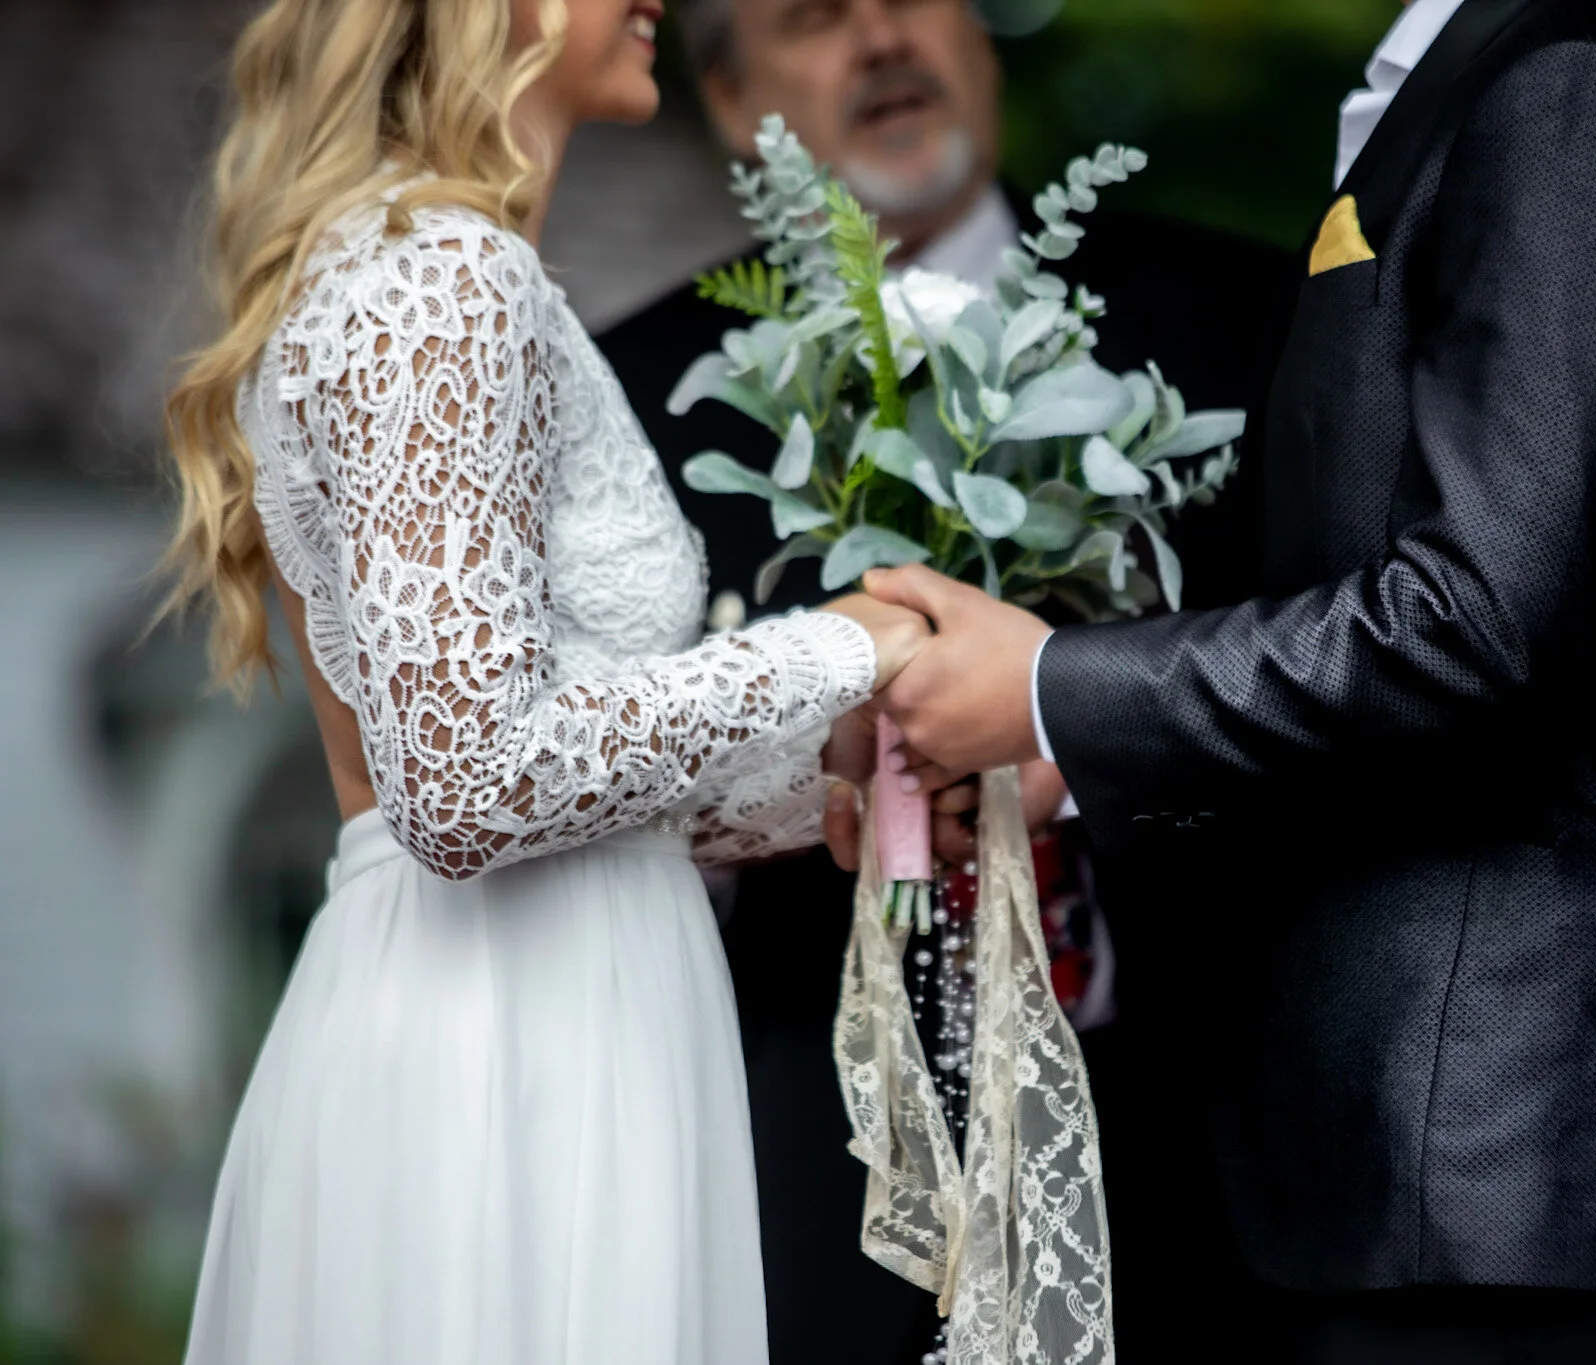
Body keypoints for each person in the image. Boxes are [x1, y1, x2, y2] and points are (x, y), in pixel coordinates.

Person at [863, 0, 1596, 1361]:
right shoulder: (1479, 70)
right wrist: (1068, 760)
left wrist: (1053, 690)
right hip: (1426, 1190)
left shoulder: (1578, 78)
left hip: (1528, 1178)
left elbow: (1477, 620)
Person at [162, 2, 930, 1360]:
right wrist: (843, 645)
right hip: (508, 1044)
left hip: (552, 999)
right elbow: (463, 782)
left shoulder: (444, 266)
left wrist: (834, 770)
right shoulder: (439, 274)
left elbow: (537, 771)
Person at [595, 1, 1295, 1359]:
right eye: (813, 14)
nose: (879, 37)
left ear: (980, 32)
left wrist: (1081, 737)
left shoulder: (1238, 322)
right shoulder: (642, 394)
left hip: (1211, 1150)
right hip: (817, 1176)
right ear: (732, 102)